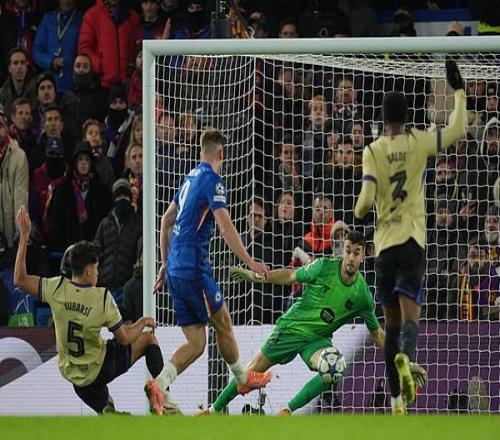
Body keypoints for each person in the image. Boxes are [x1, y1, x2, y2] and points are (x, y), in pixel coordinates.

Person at [354, 60, 467, 414]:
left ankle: (396, 401)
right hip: (413, 242)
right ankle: (407, 356)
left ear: (383, 118)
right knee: (411, 319)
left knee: (390, 324)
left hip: (385, 247)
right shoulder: (418, 141)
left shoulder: (372, 150)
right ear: (407, 117)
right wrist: (459, 91)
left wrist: (359, 212)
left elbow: (365, 200)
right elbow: (457, 129)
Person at [149, 128, 272, 409]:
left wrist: (164, 264)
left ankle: (158, 385)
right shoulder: (212, 181)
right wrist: (249, 261)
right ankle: (243, 379)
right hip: (193, 267)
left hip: (176, 269)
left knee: (196, 342)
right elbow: (225, 226)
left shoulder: (190, 178)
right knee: (223, 322)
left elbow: (166, 221)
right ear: (221, 153)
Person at [204, 231, 385, 415]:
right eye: (348, 251)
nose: (351, 257)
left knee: (335, 366)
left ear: (363, 256)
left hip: (316, 341)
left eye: (356, 253)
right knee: (247, 375)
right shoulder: (324, 266)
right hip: (291, 328)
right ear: (342, 251)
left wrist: (399, 356)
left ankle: (287, 411)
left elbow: (377, 333)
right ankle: (212, 411)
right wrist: (257, 277)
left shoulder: (362, 295)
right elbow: (291, 276)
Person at [13, 209, 167, 414]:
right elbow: (124, 338)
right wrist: (143, 322)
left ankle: (108, 409)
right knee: (148, 339)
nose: (97, 272)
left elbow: (19, 279)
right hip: (100, 368)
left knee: (109, 411)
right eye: (96, 268)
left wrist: (24, 235)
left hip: (75, 377)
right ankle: (164, 400)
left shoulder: (56, 288)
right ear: (87, 270)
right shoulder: (101, 298)